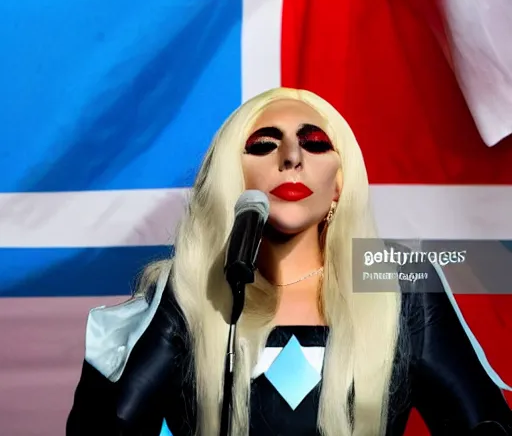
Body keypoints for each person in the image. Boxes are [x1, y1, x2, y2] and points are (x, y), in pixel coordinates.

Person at [66, 87, 512, 436]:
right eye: (263, 144)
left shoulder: (398, 280)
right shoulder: (187, 289)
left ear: (339, 184)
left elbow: (486, 425)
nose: (292, 157)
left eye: (315, 143)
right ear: (231, 175)